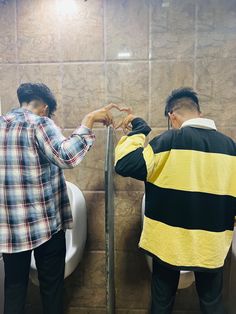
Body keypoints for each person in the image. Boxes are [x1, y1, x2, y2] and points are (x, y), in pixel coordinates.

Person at [0, 83, 120, 314]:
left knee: (14, 288)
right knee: (51, 289)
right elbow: (66, 156)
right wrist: (88, 120)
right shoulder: (40, 123)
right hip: (45, 226)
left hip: (10, 229)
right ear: (44, 108)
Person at [114, 87, 236, 314]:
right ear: (198, 113)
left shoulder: (166, 142)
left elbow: (124, 164)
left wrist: (140, 128)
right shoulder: (231, 148)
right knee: (212, 303)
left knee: (162, 302)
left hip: (169, 245)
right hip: (211, 245)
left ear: (172, 116)